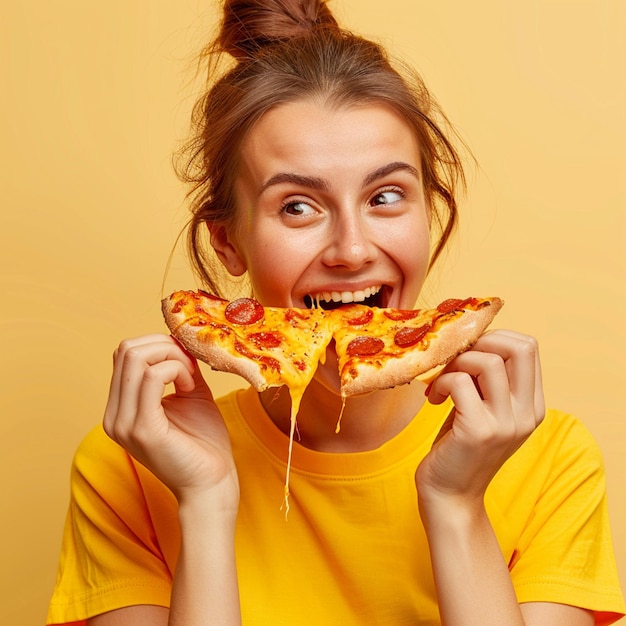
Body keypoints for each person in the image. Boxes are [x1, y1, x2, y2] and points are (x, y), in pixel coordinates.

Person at [47, 1, 625, 624]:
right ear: (227, 241)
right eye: (298, 206)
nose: (351, 250)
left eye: (385, 196)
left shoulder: (545, 459)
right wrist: (206, 500)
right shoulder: (132, 468)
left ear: (427, 213)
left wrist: (457, 504)